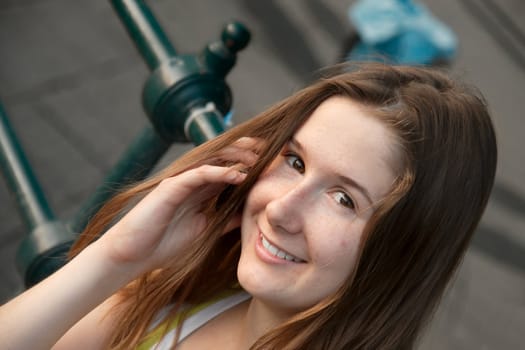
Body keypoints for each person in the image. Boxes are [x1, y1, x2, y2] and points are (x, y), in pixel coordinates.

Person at [0, 62, 497, 349]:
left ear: (403, 251)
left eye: (344, 199)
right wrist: (119, 259)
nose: (281, 210)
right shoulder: (183, 298)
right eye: (295, 162)